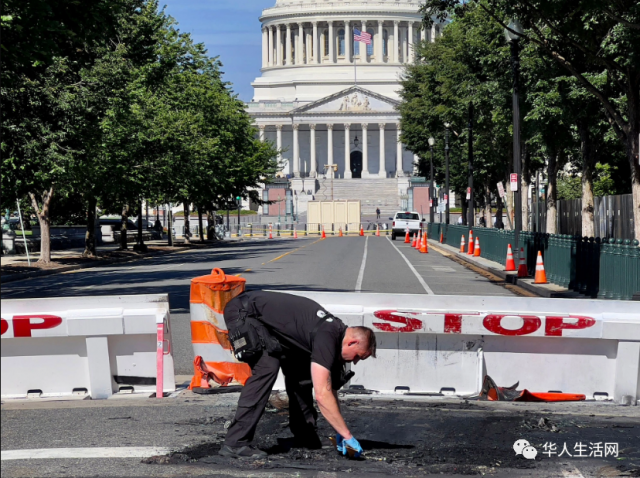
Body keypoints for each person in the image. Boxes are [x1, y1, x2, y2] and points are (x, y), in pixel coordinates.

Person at [219, 291, 377, 459]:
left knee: (302, 373)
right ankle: (235, 443)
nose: (356, 362)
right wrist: (347, 436)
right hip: (244, 312)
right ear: (353, 342)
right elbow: (323, 394)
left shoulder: (334, 333)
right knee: (267, 368)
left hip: (266, 321)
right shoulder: (328, 336)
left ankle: (304, 435)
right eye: (358, 356)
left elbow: (330, 389)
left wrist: (339, 429)